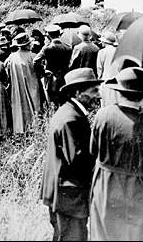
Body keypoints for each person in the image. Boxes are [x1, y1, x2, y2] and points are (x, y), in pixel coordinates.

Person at [89, 67, 143, 241]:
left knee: (106, 231)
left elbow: (93, 149)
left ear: (120, 92)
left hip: (105, 182)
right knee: (140, 232)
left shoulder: (103, 115)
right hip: (136, 186)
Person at [41, 68, 102, 241]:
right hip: (69, 196)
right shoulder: (71, 119)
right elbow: (77, 161)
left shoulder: (70, 113)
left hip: (65, 195)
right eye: (94, 91)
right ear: (78, 92)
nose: (98, 96)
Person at [4, 33, 41, 134]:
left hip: (17, 86)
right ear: (28, 44)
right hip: (32, 84)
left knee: (19, 106)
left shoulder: (11, 57)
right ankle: (35, 127)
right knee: (34, 104)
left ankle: (20, 129)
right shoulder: (33, 56)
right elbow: (40, 71)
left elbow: (5, 71)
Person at [33, 25, 73, 108]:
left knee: (52, 103)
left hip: (51, 79)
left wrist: (43, 72)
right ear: (59, 34)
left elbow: (35, 61)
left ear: (49, 35)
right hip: (65, 78)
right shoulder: (68, 48)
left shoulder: (47, 48)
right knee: (64, 103)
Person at [96, 31, 119, 106]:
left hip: (105, 80)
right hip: (117, 80)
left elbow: (99, 69)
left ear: (104, 42)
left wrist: (98, 80)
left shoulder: (102, 52)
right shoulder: (118, 51)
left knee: (105, 103)